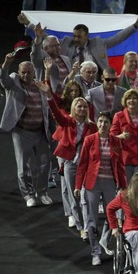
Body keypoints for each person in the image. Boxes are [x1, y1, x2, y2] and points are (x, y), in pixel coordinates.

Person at [39, 81, 98, 236]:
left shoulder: (92, 126)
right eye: (79, 106)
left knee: (88, 196)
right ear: (73, 109)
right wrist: (49, 96)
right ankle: (81, 227)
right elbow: (56, 113)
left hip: (86, 166)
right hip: (71, 164)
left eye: (84, 106)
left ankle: (89, 223)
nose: (82, 108)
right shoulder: (67, 122)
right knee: (75, 196)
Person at [0, 54, 52, 207]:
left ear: (34, 72)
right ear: (19, 72)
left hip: (41, 131)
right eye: (23, 72)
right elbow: (3, 79)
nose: (26, 75)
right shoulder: (14, 82)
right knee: (23, 166)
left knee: (44, 164)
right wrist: (6, 63)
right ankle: (28, 195)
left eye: (29, 72)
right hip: (22, 131)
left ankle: (42, 193)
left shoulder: (39, 85)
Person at [75, 112, 127, 266]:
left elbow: (120, 165)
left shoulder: (116, 141)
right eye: (101, 121)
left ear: (111, 125)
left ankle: (104, 240)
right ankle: (95, 251)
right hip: (93, 183)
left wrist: (124, 186)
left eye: (106, 122)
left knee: (112, 213)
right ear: (97, 123)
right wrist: (78, 186)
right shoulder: (89, 140)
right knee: (91, 218)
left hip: (110, 182)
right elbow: (83, 164)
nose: (103, 124)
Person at [30, 24, 71, 96]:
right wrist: (38, 38)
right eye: (53, 46)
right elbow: (35, 52)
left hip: (65, 97)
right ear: (45, 49)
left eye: (58, 45)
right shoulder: (41, 59)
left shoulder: (66, 59)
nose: (57, 48)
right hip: (49, 97)